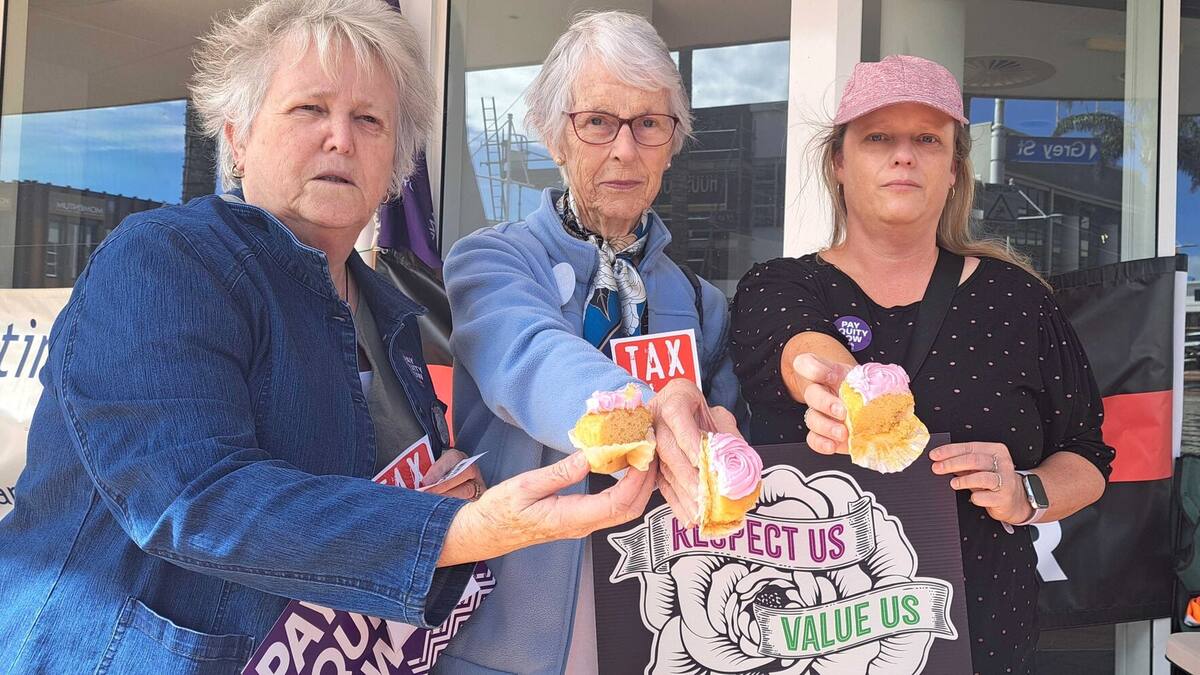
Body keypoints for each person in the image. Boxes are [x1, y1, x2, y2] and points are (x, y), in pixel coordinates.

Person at [0, 1, 656, 670]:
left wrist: (442, 500)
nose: (340, 138)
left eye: (369, 120)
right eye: (310, 109)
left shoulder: (392, 321)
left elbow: (365, 531)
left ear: (396, 166)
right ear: (238, 135)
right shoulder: (165, 260)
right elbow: (193, 497)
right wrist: (448, 530)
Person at [729, 55, 1114, 674]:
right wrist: (837, 389)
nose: (903, 155)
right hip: (811, 640)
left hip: (981, 640)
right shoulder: (780, 284)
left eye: (927, 140)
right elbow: (801, 348)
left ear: (955, 169)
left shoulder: (1017, 299)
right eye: (879, 137)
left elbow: (1088, 457)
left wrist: (1025, 492)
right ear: (838, 162)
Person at [439, 11, 741, 674]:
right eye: (598, 121)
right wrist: (648, 411)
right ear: (554, 135)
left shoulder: (699, 302)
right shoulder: (491, 261)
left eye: (649, 124)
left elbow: (722, 450)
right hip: (504, 644)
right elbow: (529, 356)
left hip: (656, 640)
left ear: (672, 142)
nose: (625, 150)